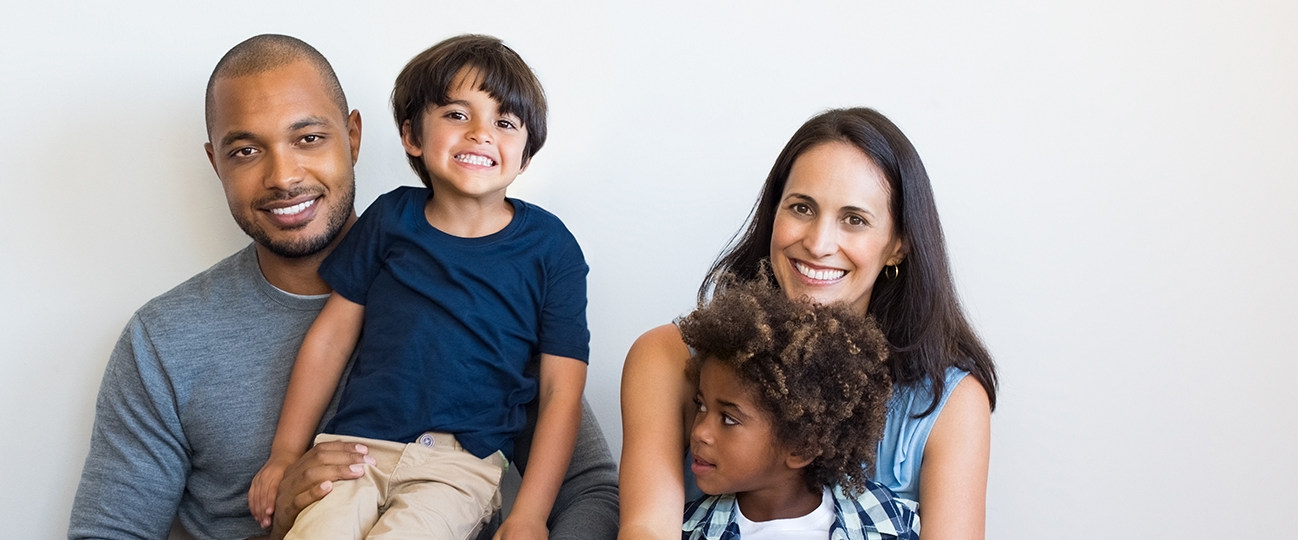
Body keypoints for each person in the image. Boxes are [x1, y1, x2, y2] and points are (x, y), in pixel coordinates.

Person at [67, 34, 620, 540]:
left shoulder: (503, 279)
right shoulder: (163, 342)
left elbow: (591, 492)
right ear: (215, 163)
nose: (283, 176)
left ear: (353, 136)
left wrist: (525, 521)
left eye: (308, 138)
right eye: (246, 150)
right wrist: (280, 522)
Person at [247, 35, 586, 540]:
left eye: (505, 122)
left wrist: (530, 513)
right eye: (456, 114)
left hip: (457, 466)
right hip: (352, 449)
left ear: (526, 156)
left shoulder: (551, 248)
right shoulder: (390, 218)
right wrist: (284, 454)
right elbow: (330, 340)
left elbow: (561, 390)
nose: (480, 134)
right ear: (412, 135)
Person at [618, 108, 997, 540]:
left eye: (854, 219)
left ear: (898, 246)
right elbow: (646, 528)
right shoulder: (666, 357)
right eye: (801, 208)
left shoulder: (949, 402)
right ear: (773, 214)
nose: (818, 244)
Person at [676, 277, 918, 540]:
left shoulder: (885, 520)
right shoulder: (686, 531)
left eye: (729, 419)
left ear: (802, 447)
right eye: (701, 406)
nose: (700, 432)